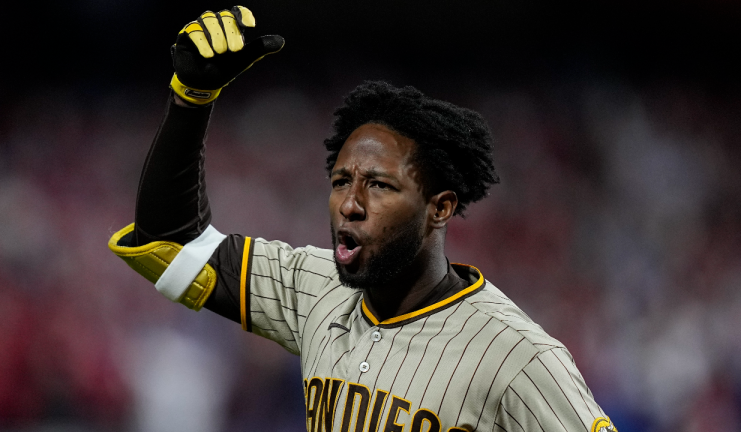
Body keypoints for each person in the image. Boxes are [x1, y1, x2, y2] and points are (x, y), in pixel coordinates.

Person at [108, 7, 616, 432]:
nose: (350, 203)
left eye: (379, 185)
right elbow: (170, 244)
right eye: (340, 181)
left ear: (439, 207)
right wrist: (191, 100)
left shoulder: (517, 356)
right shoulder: (317, 288)